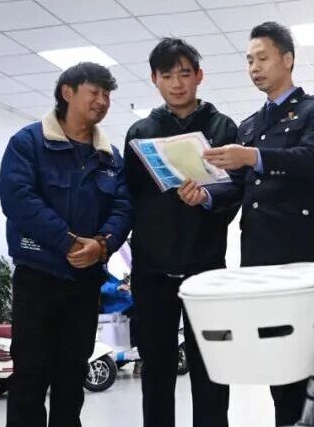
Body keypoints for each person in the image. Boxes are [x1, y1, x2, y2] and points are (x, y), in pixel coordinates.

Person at [203, 21, 314, 425]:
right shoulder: (248, 126)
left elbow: (311, 158)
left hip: (301, 254)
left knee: (309, 356)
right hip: (258, 257)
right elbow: (237, 187)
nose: (254, 68)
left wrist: (252, 157)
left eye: (261, 58)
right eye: (249, 61)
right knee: (275, 358)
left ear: (288, 59)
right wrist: (206, 195)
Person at [0, 62, 131, 427]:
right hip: (37, 277)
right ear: (67, 92)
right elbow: (18, 198)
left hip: (84, 284)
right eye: (95, 92)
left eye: (107, 95)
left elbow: (123, 208)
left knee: (72, 376)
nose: (102, 101)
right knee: (30, 375)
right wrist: (67, 242)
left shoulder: (109, 157)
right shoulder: (29, 143)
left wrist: (102, 245)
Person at [123, 38, 240, 427]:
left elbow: (238, 189)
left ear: (199, 76)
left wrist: (207, 196)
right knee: (156, 370)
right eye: (167, 75)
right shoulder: (141, 132)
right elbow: (129, 198)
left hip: (206, 267)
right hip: (152, 270)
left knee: (211, 368)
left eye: (185, 74)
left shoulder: (222, 127)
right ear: (154, 79)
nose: (177, 83)